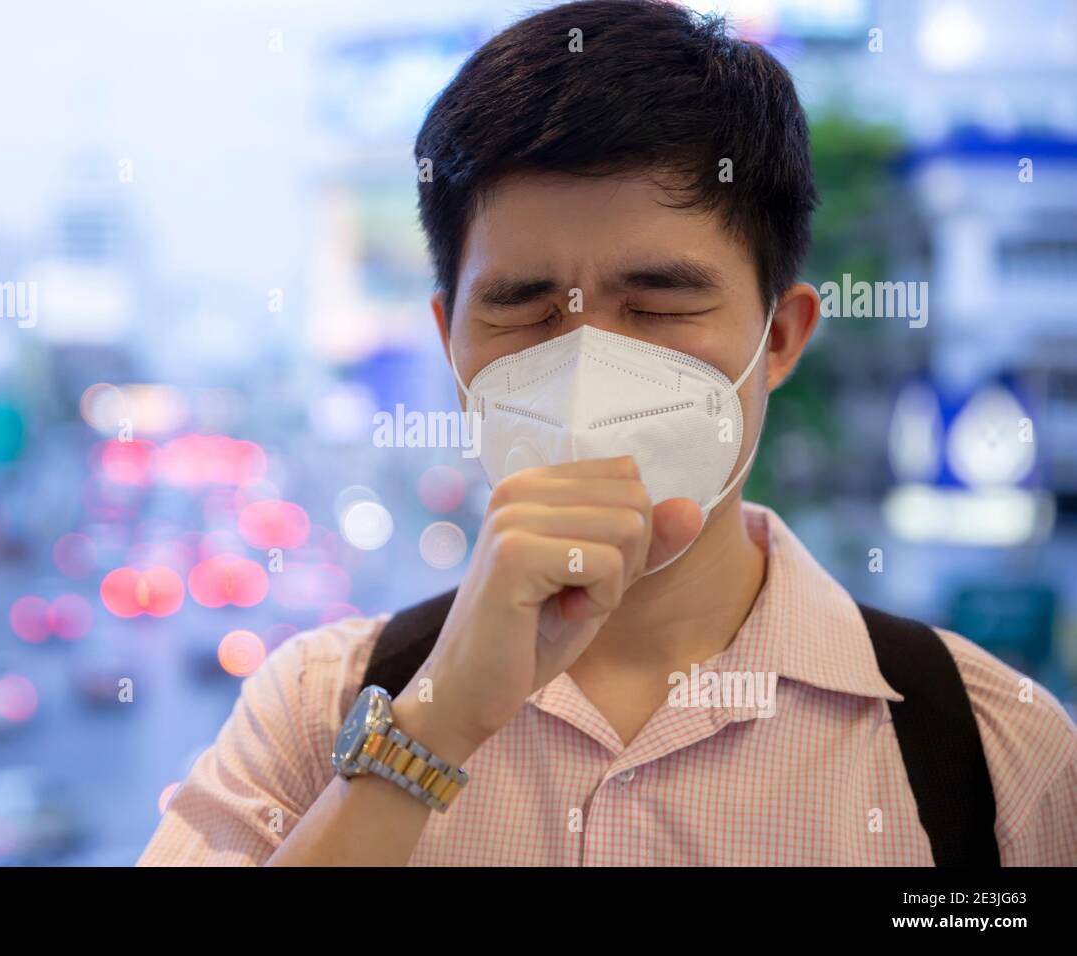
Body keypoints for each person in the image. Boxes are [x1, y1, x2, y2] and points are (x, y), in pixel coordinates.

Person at [139, 0, 1077, 866]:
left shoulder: (988, 755)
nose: (590, 363)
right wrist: (428, 732)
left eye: (659, 303)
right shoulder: (314, 714)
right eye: (526, 309)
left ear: (780, 338)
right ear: (449, 343)